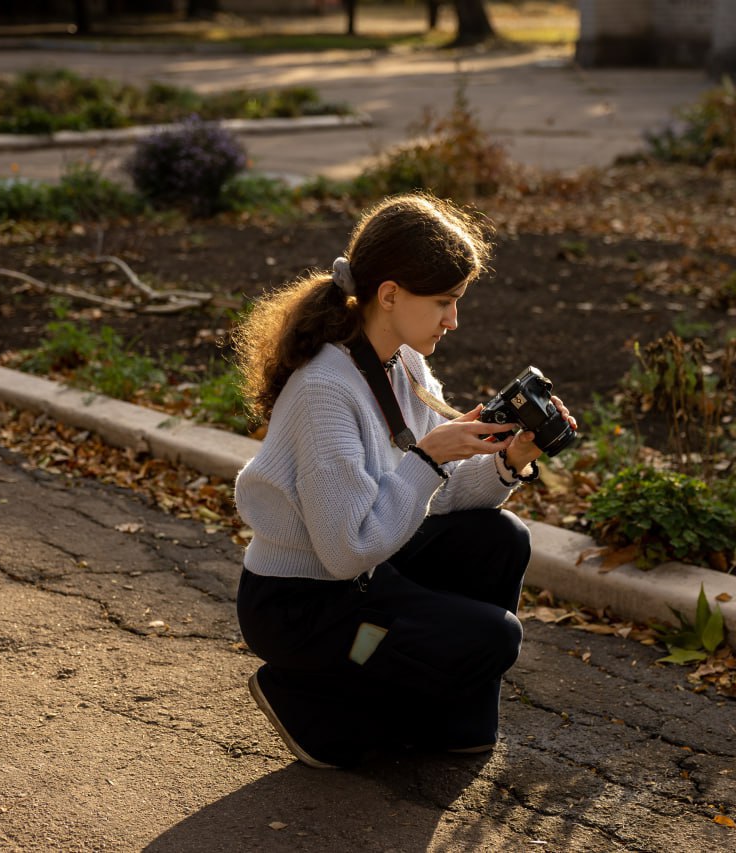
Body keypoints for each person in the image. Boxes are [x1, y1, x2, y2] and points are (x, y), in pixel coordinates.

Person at [231, 192, 576, 769]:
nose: (453, 319)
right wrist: (428, 458)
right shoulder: (325, 390)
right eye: (444, 301)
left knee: (501, 537)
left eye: (457, 300)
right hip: (305, 607)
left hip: (366, 577)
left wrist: (507, 462)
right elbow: (346, 551)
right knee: (492, 638)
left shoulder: (404, 365)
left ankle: (450, 724)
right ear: (389, 295)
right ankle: (310, 706)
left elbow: (432, 500)